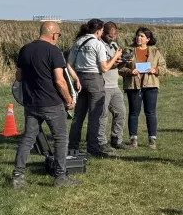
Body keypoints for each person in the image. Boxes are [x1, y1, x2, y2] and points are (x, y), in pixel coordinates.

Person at [11, 21, 80, 188]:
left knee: (28, 138)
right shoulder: (54, 51)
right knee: (61, 138)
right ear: (54, 34)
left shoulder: (25, 49)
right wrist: (69, 100)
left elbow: (18, 76)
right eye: (59, 35)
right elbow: (60, 81)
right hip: (52, 103)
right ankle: (60, 177)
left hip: (31, 103)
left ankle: (18, 176)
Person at [67, 18, 121, 156]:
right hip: (94, 80)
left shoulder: (78, 42)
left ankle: (72, 147)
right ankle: (93, 148)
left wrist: (76, 79)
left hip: (80, 79)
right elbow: (104, 68)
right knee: (94, 116)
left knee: (78, 117)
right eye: (102, 30)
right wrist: (115, 57)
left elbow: (68, 65)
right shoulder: (97, 44)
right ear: (98, 31)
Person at [119, 26, 167, 149]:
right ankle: (133, 139)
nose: (138, 38)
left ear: (148, 39)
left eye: (142, 36)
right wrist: (130, 71)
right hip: (133, 86)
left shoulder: (155, 52)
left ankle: (152, 139)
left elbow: (163, 68)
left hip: (150, 85)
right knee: (134, 113)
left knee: (150, 112)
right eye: (137, 35)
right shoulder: (128, 50)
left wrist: (154, 70)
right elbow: (120, 68)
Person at [100, 21, 129, 150]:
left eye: (114, 35)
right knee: (102, 114)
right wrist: (116, 59)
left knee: (121, 112)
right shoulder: (99, 45)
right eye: (110, 36)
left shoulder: (114, 45)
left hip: (114, 84)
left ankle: (117, 139)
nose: (112, 38)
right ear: (103, 33)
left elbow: (114, 64)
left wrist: (123, 62)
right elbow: (104, 65)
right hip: (103, 84)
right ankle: (101, 142)